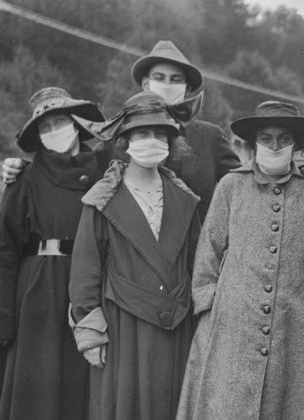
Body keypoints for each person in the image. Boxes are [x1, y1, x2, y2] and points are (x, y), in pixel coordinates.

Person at [1, 40, 304, 219]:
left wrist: (298, 173)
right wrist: (23, 168)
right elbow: (75, 173)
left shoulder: (209, 136)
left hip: (199, 256)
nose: (166, 85)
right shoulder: (118, 136)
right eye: (159, 78)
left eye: (175, 79)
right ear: (145, 84)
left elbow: (248, 182)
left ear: (186, 88)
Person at [176, 101, 304, 420]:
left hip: (295, 325)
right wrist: (208, 306)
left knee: (293, 404)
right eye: (266, 138)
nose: (275, 145)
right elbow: (209, 249)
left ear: (296, 144)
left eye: (284, 138)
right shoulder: (231, 186)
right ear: (254, 143)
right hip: (233, 323)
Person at [68, 91, 202, 420]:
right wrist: (91, 333)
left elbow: (197, 265)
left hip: (176, 326)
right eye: (142, 133)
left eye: (159, 133)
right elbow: (85, 270)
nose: (151, 141)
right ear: (125, 140)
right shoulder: (102, 199)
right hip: (122, 326)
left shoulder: (184, 199)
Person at [0, 87, 105, 420]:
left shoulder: (104, 171)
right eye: (45, 127)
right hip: (38, 292)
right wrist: (2, 316)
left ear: (75, 123)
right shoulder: (25, 178)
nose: (54, 131)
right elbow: (4, 249)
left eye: (59, 121)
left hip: (88, 290)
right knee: (38, 391)